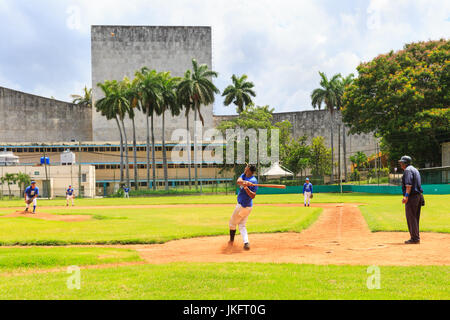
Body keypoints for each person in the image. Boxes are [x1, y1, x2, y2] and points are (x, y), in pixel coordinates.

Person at [228, 164, 258, 251]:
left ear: (249, 170)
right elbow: (238, 181)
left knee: (232, 224)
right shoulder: (244, 175)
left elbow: (253, 196)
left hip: (243, 206)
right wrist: (244, 182)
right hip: (247, 207)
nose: (245, 169)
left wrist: (247, 188)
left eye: (246, 168)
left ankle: (231, 242)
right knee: (242, 225)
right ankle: (246, 243)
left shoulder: (254, 181)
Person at [399, 155, 424, 244]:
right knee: (415, 217)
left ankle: (415, 238)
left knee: (411, 217)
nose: (400, 164)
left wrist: (406, 196)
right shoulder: (415, 169)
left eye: (401, 162)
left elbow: (408, 185)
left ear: (405, 163)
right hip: (418, 196)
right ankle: (416, 237)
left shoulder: (408, 170)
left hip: (412, 197)